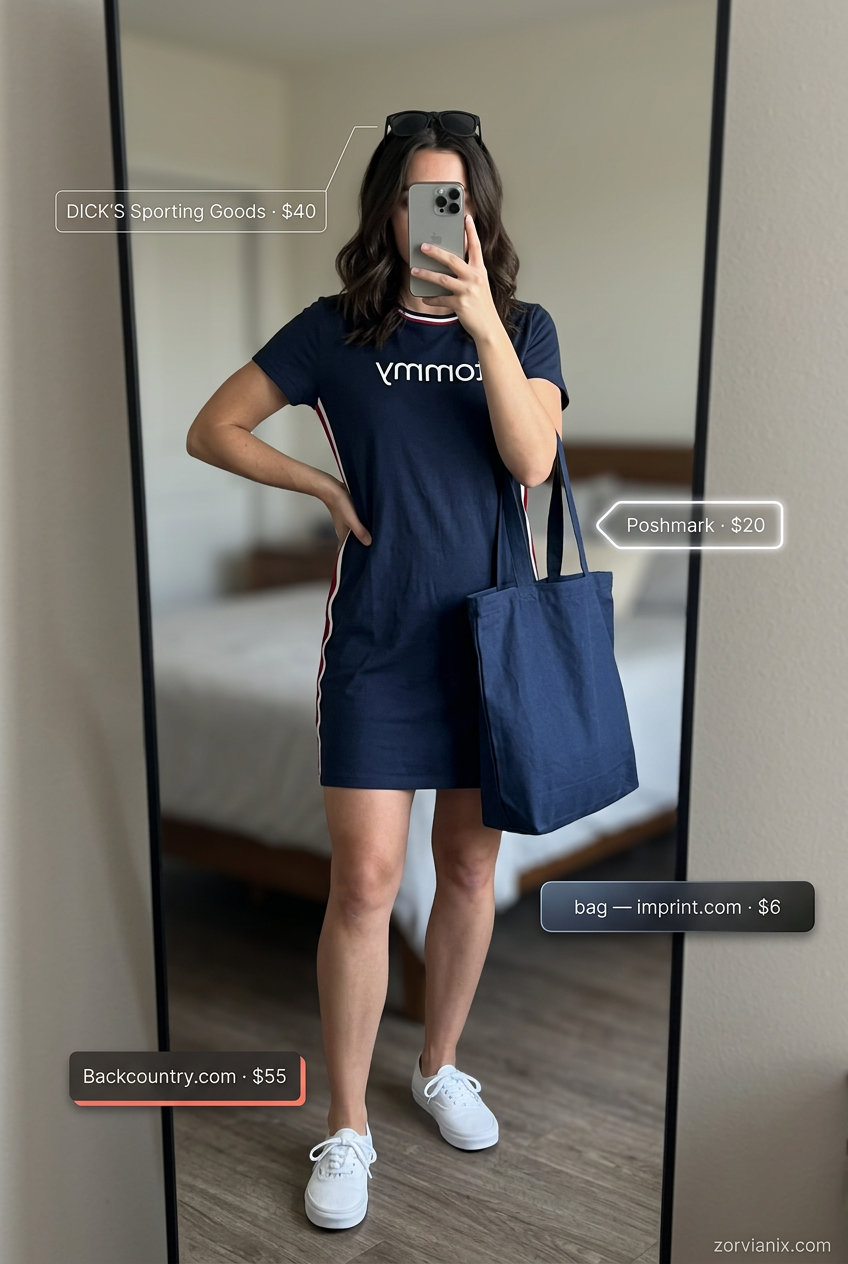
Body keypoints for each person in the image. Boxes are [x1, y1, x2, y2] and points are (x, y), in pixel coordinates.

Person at [186, 108, 569, 1231]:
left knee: (464, 871)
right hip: (376, 647)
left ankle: (439, 1064)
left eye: (450, 196)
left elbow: (532, 460)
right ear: (386, 209)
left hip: (488, 648)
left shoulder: (528, 330)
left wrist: (486, 325)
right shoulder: (331, 331)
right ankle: (345, 1127)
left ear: (477, 210)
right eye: (412, 196)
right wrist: (318, 487)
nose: (429, 216)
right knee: (360, 885)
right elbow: (215, 429)